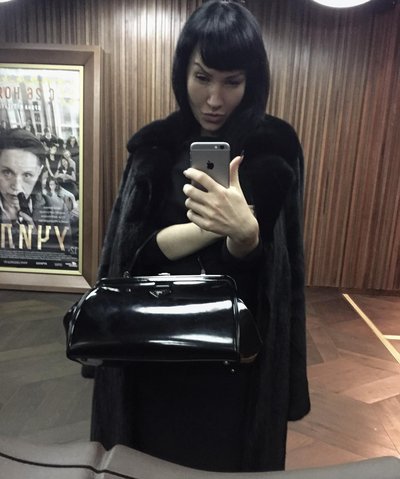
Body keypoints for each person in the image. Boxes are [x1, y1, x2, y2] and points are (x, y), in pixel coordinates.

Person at [91, 0, 310, 472]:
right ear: (182, 72)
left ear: (252, 81)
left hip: (236, 366)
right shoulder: (153, 145)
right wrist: (209, 227)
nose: (214, 99)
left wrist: (245, 237)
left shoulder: (275, 148)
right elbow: (129, 257)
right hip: (154, 355)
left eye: (232, 82)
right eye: (202, 77)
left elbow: (283, 275)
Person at [0, 128, 46, 227]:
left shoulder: (57, 207)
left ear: (39, 172)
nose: (16, 186)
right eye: (7, 172)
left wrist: (35, 236)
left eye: (27, 175)